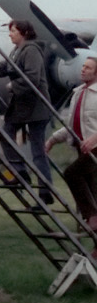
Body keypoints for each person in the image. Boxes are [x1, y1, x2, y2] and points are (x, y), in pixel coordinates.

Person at [0, 19, 54, 199]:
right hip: (22, 107)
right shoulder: (16, 51)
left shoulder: (31, 50)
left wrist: (13, 86)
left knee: (37, 150)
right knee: (6, 134)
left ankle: (45, 191)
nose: (10, 33)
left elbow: (33, 77)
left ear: (24, 33)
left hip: (36, 107)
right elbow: (2, 68)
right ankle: (20, 171)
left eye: (13, 30)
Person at [46, 55, 97, 234]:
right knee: (91, 192)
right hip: (81, 148)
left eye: (88, 68)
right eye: (83, 67)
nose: (83, 69)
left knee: (72, 173)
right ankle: (93, 232)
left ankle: (92, 216)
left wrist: (94, 139)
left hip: (95, 149)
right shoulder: (78, 93)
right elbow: (71, 124)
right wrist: (53, 139)